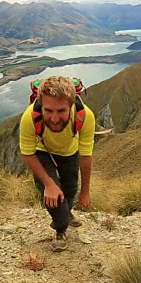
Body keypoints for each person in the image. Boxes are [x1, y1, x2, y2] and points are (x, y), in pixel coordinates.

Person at [19, 76, 95, 252]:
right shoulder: (29, 117)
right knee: (55, 198)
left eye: (61, 111)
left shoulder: (85, 117)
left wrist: (85, 192)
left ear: (71, 105)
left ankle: (66, 214)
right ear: (40, 104)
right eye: (48, 110)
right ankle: (60, 229)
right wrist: (49, 184)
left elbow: (85, 155)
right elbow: (27, 153)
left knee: (70, 190)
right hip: (41, 152)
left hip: (69, 152)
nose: (54, 118)